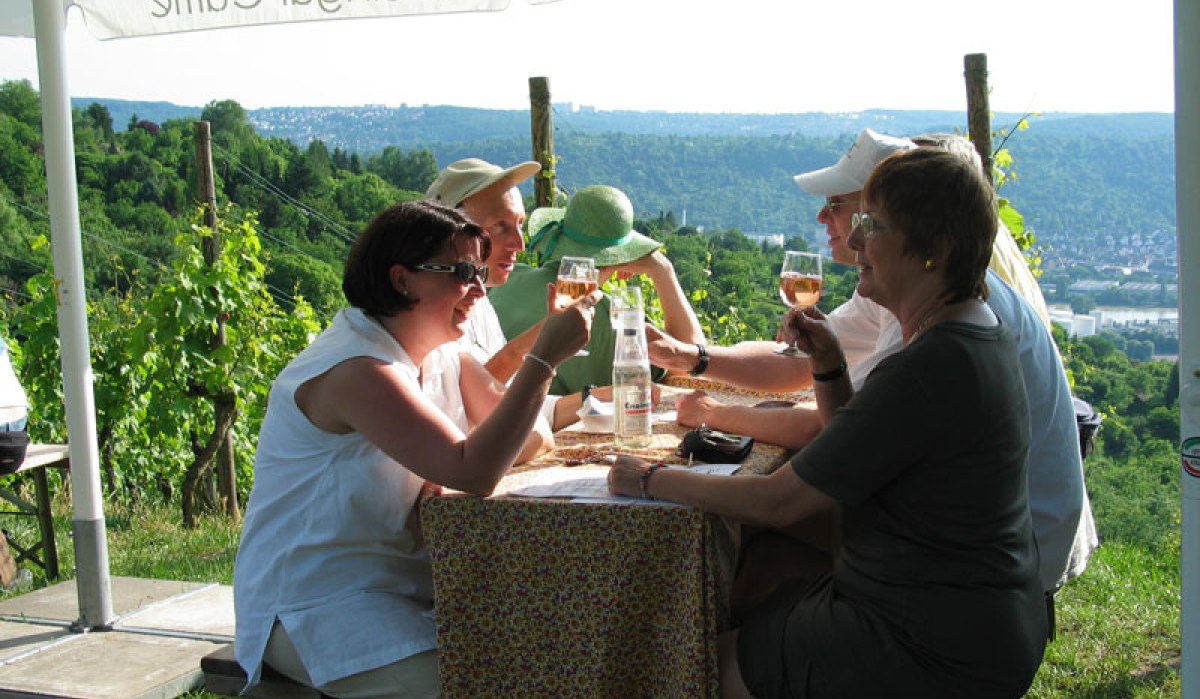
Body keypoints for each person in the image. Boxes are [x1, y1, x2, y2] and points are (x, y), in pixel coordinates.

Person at [610, 148, 1048, 698]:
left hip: (927, 639)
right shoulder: (970, 331)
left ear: (934, 251)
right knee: (750, 595)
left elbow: (779, 502)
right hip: (970, 616)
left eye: (873, 225)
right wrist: (829, 365)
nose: (857, 241)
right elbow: (857, 453)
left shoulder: (929, 366)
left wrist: (645, 479)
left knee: (686, 673)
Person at [652, 128, 1098, 595]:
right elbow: (797, 366)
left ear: (898, 213)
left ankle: (714, 658)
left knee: (747, 530)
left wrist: (704, 426)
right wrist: (691, 357)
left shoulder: (938, 329)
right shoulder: (929, 287)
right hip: (987, 540)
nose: (828, 218)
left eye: (844, 208)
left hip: (1004, 562)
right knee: (760, 547)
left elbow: (820, 448)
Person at [233, 201, 598, 699]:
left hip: (400, 590)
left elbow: (531, 431)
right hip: (315, 607)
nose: (478, 287)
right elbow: (478, 470)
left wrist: (454, 467)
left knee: (548, 647)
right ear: (402, 280)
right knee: (495, 683)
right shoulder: (358, 370)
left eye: (479, 270)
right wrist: (542, 360)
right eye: (462, 271)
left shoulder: (442, 351)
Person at [426, 159, 620, 430]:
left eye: (519, 224)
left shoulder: (481, 302)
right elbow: (462, 420)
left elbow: (512, 404)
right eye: (499, 226)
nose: (519, 243)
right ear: (451, 232)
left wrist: (603, 397)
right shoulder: (423, 314)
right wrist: (542, 344)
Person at [489, 184, 705, 396]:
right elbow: (691, 368)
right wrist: (662, 270)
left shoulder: (507, 280)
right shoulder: (607, 321)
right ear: (624, 258)